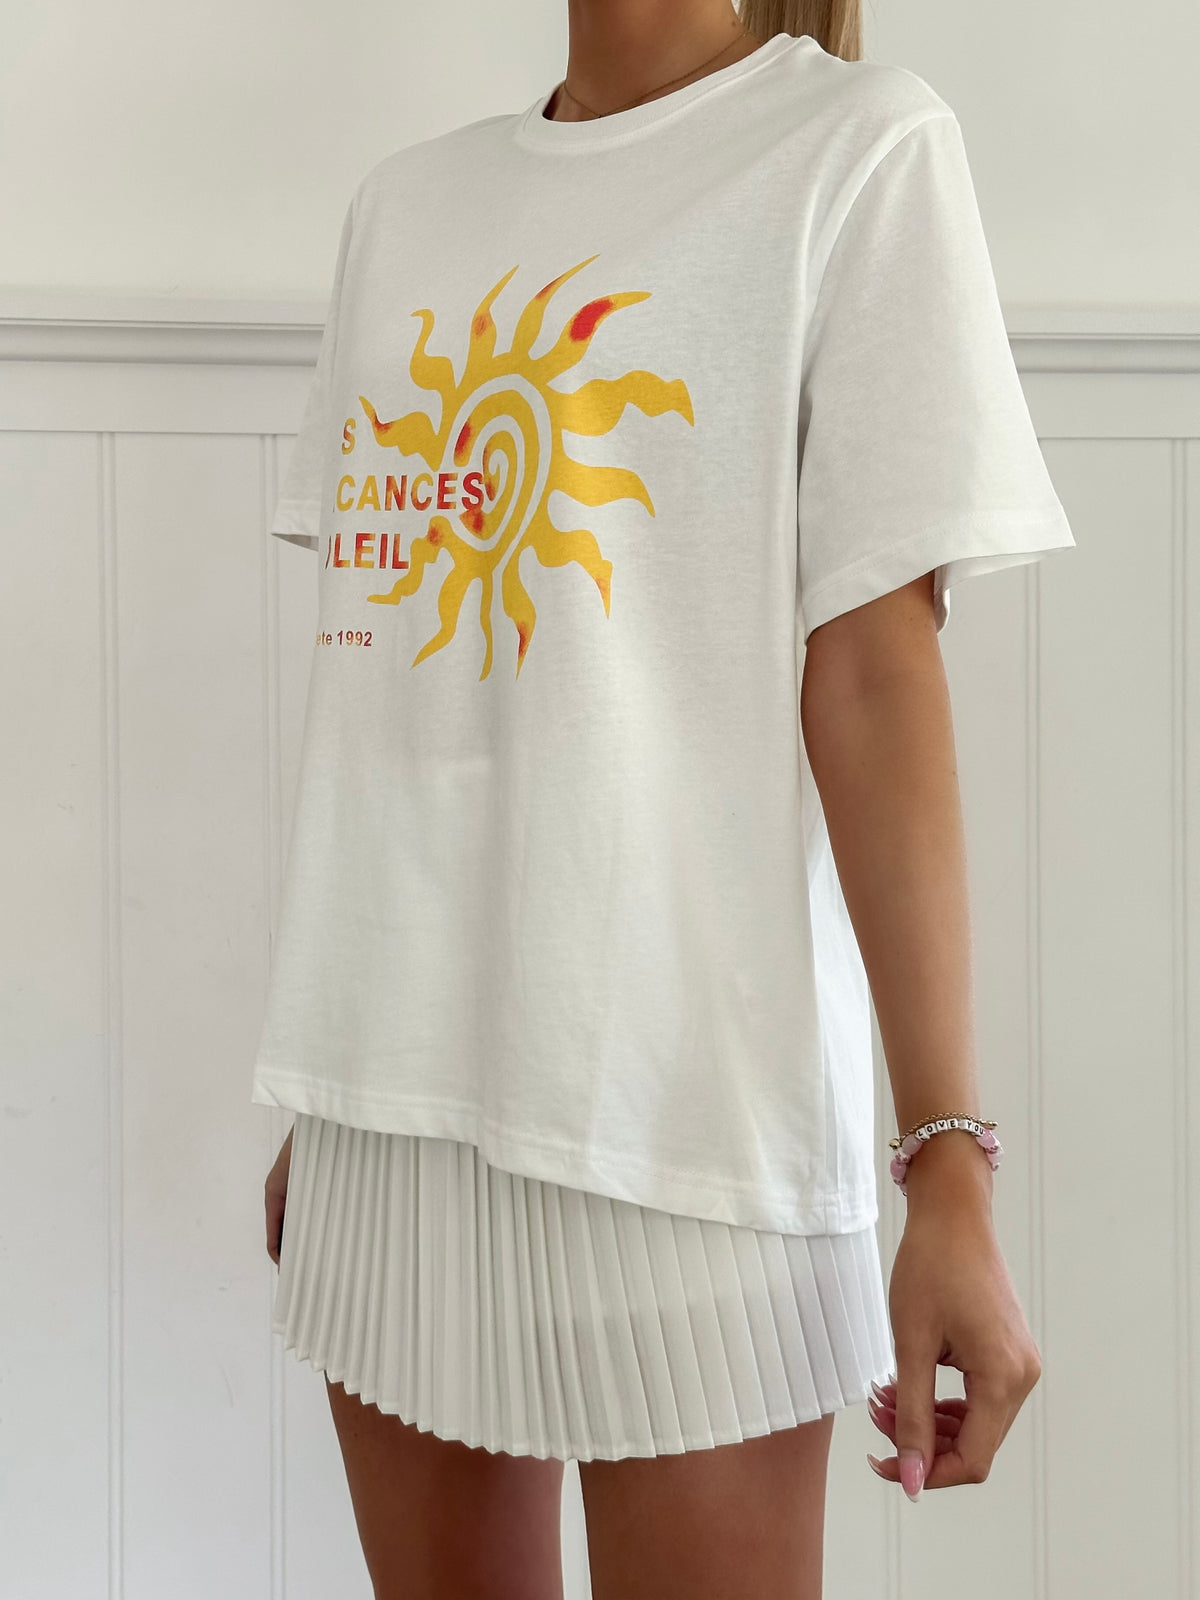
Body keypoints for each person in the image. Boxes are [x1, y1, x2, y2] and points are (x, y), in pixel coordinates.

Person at [257, 1, 1074, 1595]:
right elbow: (417, 681)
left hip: (694, 1121)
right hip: (387, 1124)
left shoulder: (858, 151)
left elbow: (874, 675)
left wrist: (947, 1167)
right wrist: (345, 1084)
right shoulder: (406, 205)